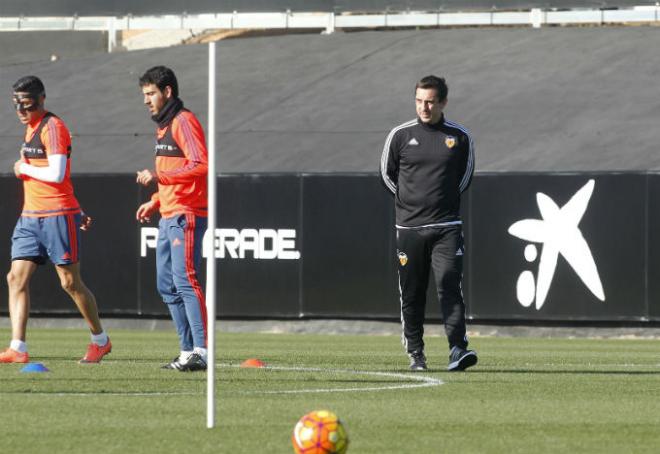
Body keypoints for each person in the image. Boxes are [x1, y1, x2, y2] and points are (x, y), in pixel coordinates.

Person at [1, 76, 111, 364]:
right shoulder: (30, 129)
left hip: (56, 216)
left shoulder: (54, 127)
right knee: (15, 278)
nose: (21, 110)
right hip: (30, 216)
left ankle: (100, 340)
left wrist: (24, 167)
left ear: (41, 99)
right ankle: (18, 348)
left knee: (70, 283)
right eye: (17, 105)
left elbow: (57, 174)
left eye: (27, 104)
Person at [380, 75, 477, 372]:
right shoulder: (399, 135)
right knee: (412, 292)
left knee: (449, 282)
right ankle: (416, 354)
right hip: (409, 228)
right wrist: (410, 203)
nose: (424, 107)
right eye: (420, 101)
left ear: (443, 102)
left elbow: (465, 176)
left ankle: (458, 349)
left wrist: (441, 203)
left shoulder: (459, 137)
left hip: (447, 226)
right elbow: (387, 174)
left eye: (430, 101)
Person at [135, 66, 209, 372]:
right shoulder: (164, 126)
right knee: (166, 285)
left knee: (184, 280)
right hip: (167, 214)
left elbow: (202, 164)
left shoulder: (183, 120)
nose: (146, 100)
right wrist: (154, 201)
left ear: (168, 92)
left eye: (151, 93)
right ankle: (186, 351)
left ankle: (202, 351)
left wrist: (158, 177)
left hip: (186, 214)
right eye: (144, 95)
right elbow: (176, 171)